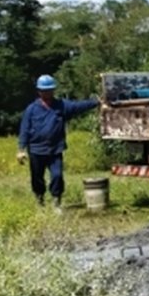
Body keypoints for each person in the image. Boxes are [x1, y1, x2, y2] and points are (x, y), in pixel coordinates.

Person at [16, 75, 99, 210]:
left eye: (49, 90)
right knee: (37, 178)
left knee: (57, 175)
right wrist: (21, 149)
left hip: (55, 150)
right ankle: (40, 201)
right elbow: (24, 129)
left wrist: (95, 102)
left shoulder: (61, 106)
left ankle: (56, 202)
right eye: (44, 90)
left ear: (53, 90)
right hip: (36, 150)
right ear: (39, 91)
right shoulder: (31, 109)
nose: (47, 93)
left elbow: (78, 106)